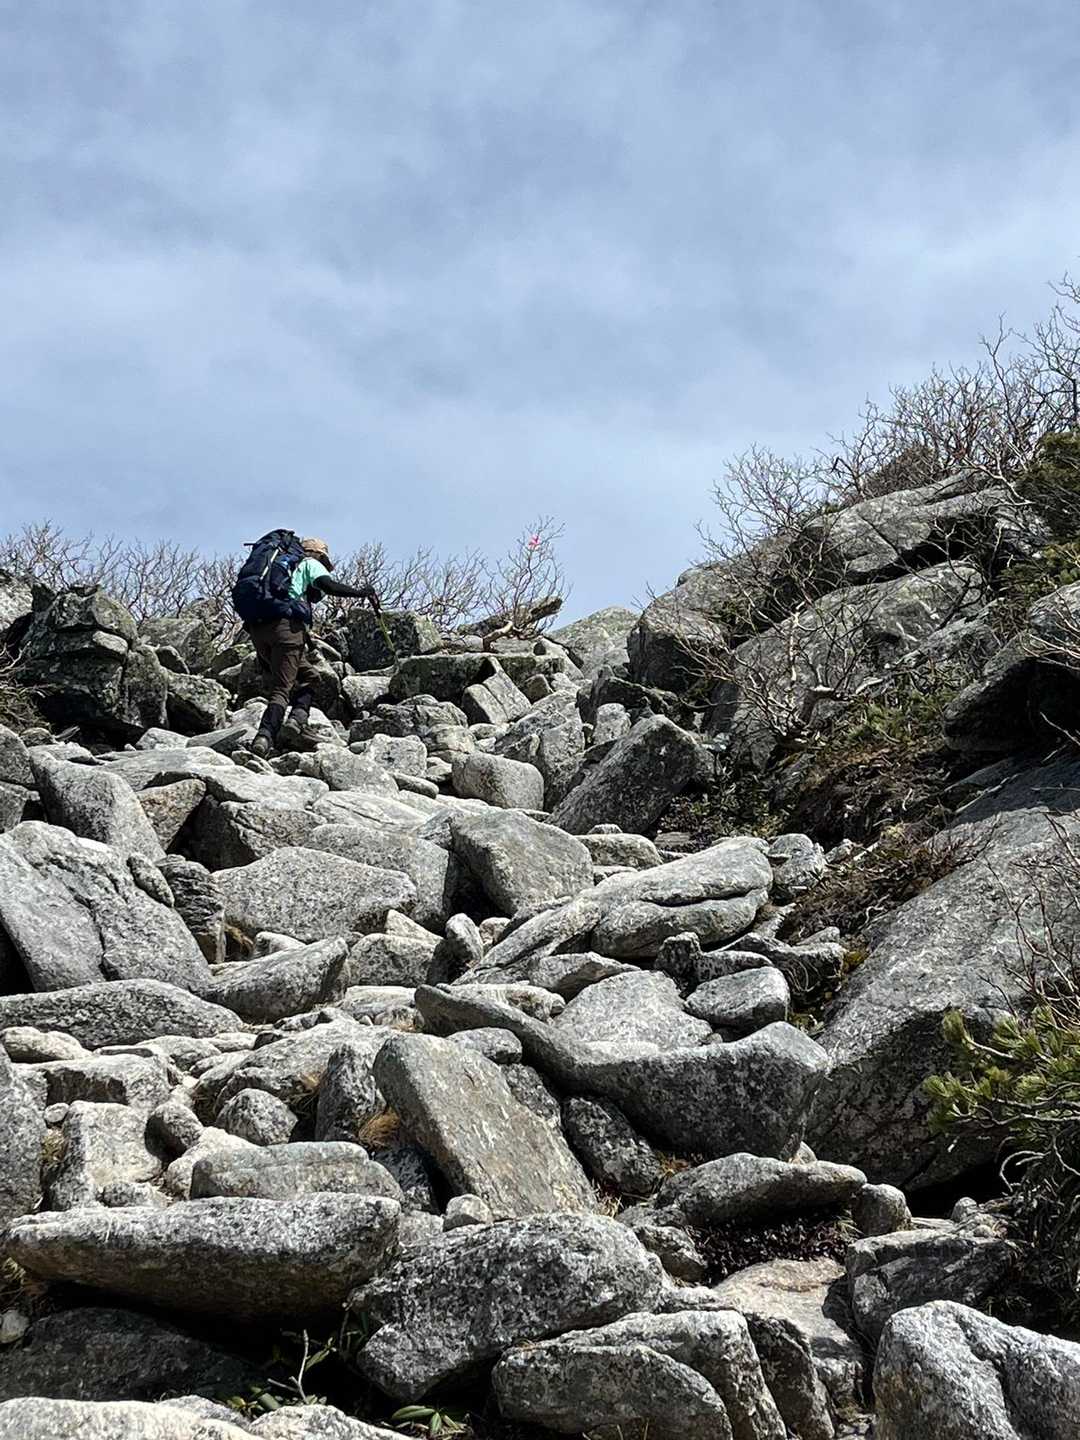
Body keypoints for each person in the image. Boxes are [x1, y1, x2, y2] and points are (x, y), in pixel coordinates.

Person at [247, 537, 379, 757]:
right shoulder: (309, 563)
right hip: (286, 628)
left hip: (257, 630)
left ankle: (297, 722)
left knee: (310, 676)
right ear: (317, 554)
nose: (324, 566)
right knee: (282, 688)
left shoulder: (275, 566)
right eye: (324, 561)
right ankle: (265, 737)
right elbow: (329, 586)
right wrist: (361, 592)